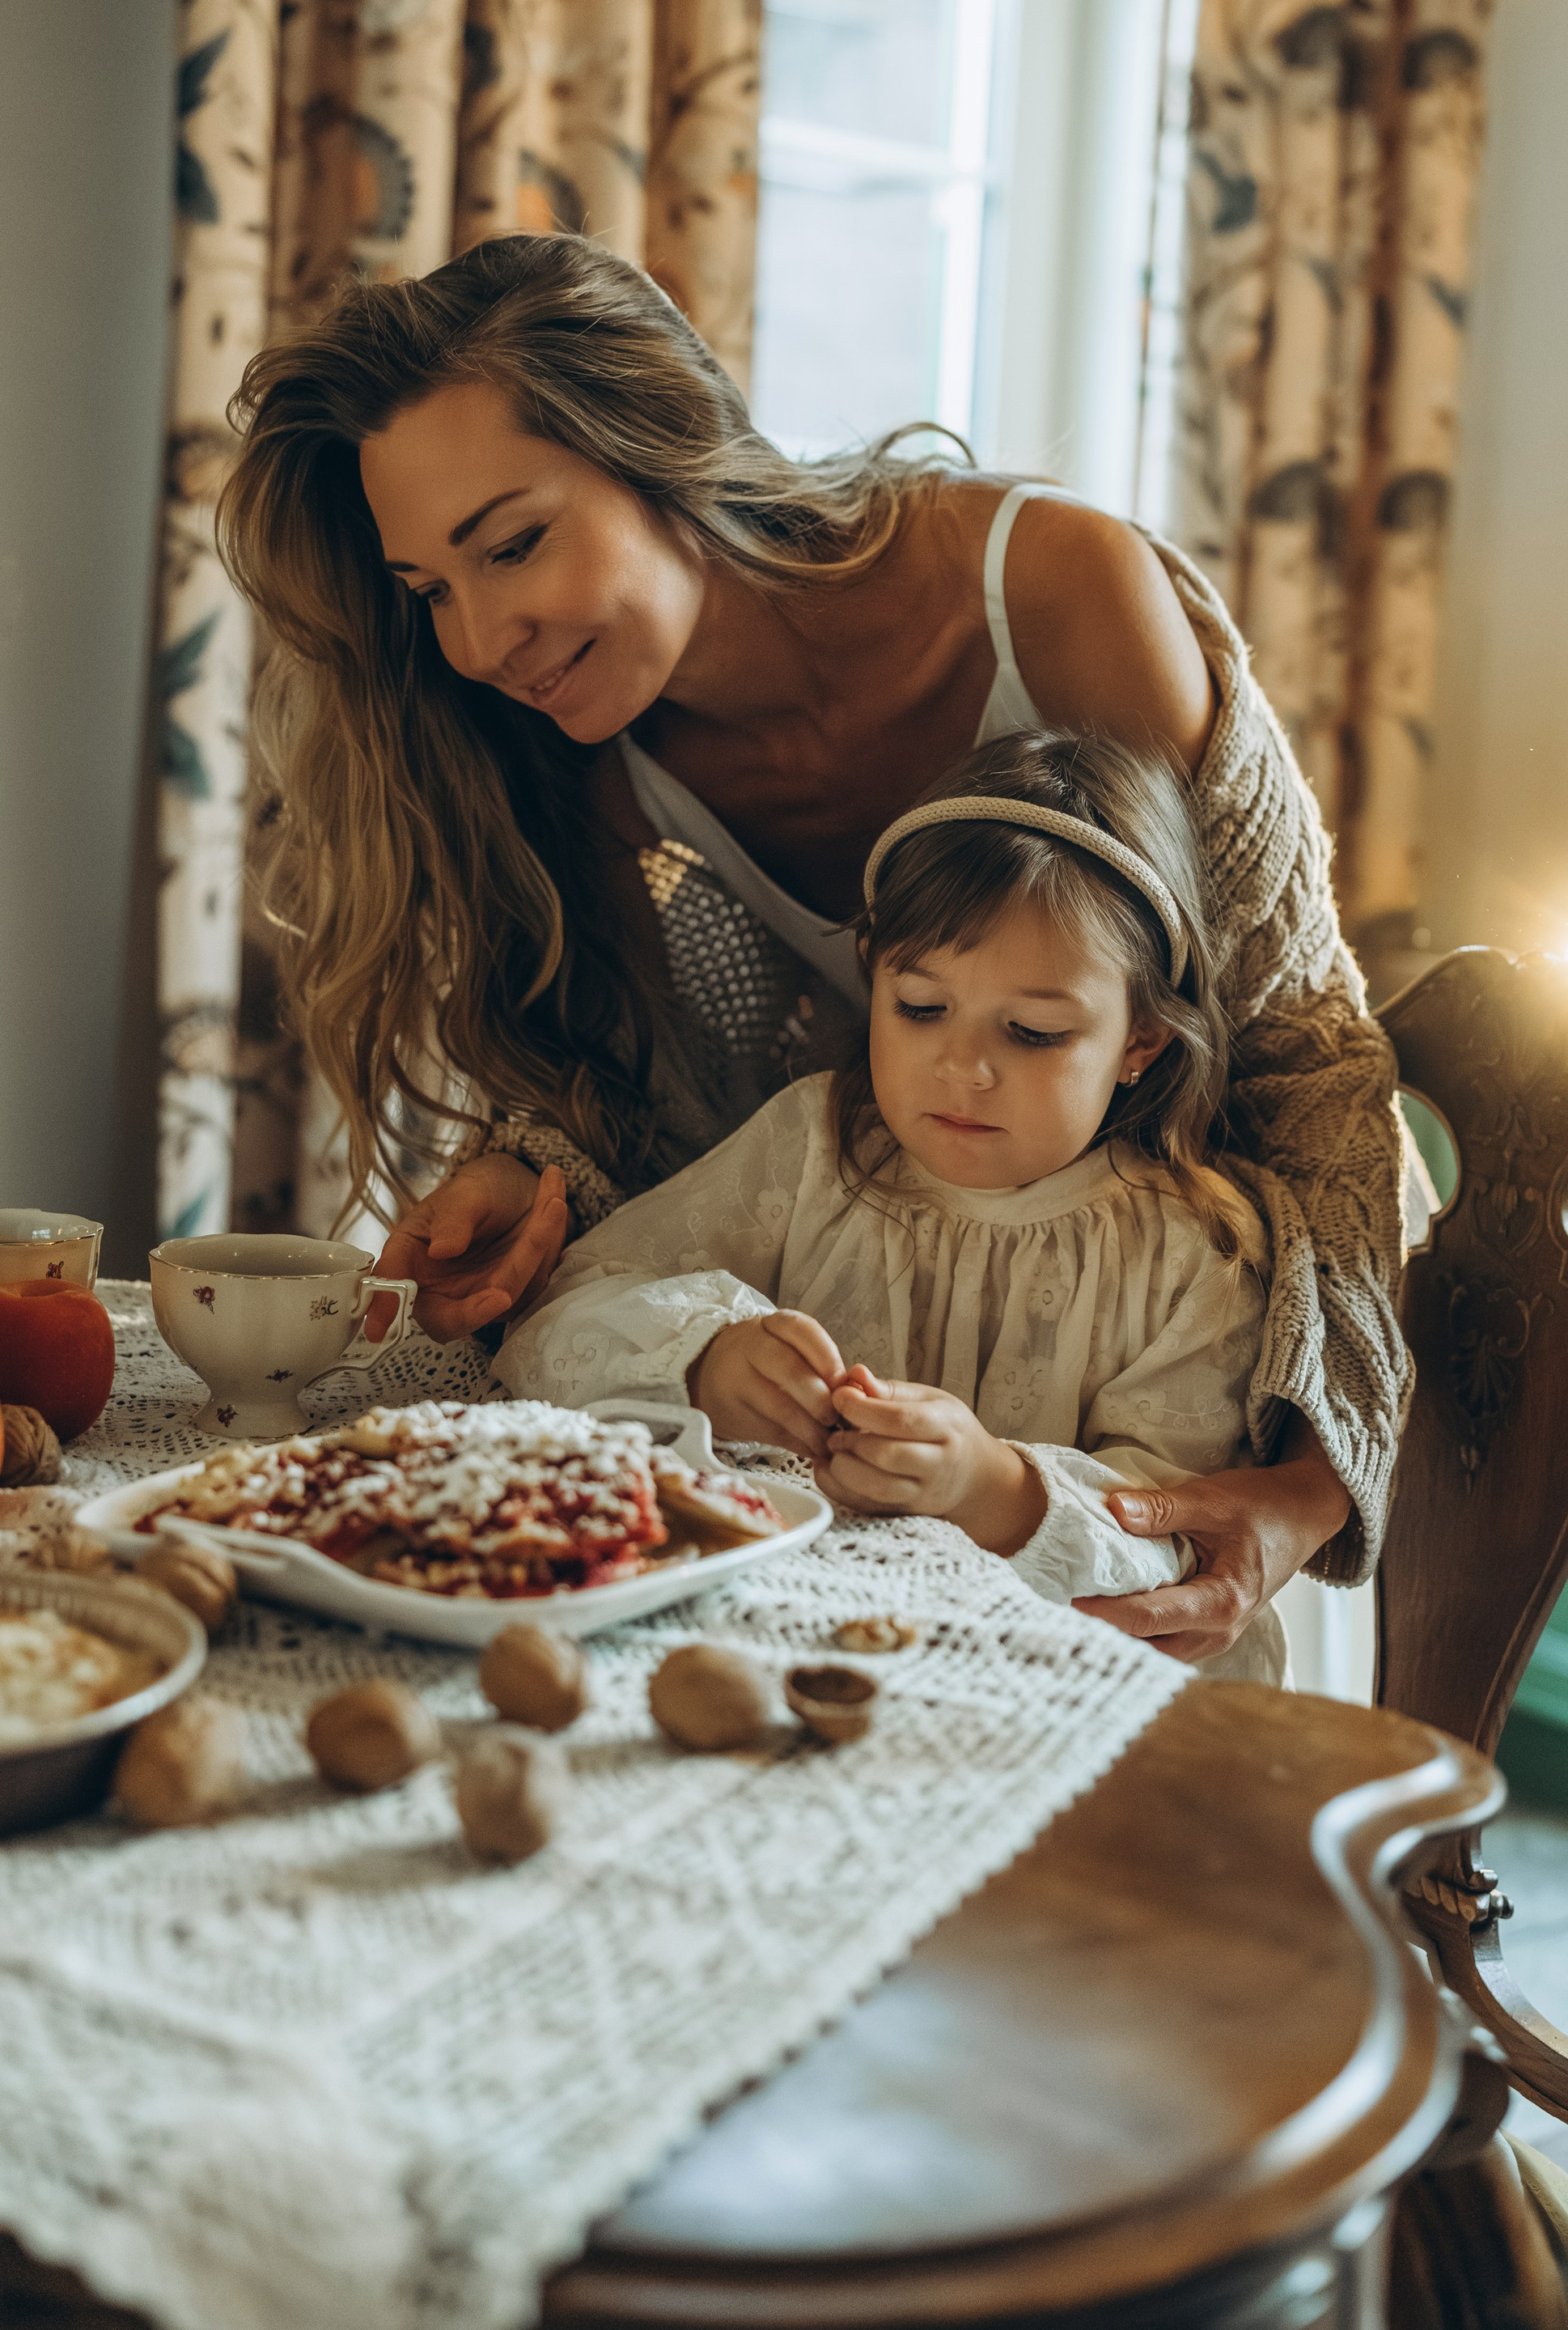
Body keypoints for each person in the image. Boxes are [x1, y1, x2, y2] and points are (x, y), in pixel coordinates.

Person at [217, 232, 1410, 1662]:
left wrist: (1307, 1483)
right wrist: (542, 1164)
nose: (478, 642)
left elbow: (1300, 1056)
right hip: (838, 1497)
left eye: (514, 543)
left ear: (660, 443)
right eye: (429, 591)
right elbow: (677, 1121)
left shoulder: (1059, 598)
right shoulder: (577, 754)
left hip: (1164, 1399)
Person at [497, 731, 1288, 1681]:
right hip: (787, 1656)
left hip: (1039, 1703)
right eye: (919, 1008)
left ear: (1142, 1043)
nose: (962, 1067)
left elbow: (1181, 1559)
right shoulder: (812, 1150)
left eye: (1033, 1032)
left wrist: (991, 1489)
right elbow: (557, 1323)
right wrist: (704, 1360)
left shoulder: (1192, 1253)